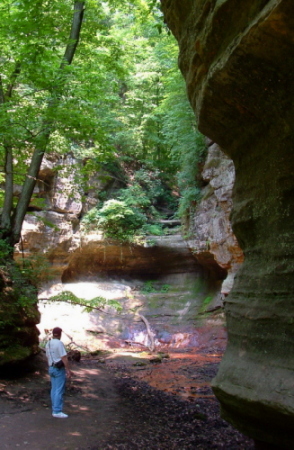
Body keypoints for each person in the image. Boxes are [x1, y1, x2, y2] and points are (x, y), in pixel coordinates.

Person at [45, 327, 72, 418]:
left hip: (51, 368)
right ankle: (57, 411)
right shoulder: (59, 343)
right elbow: (63, 357)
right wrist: (68, 370)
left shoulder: (48, 343)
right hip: (58, 369)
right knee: (59, 389)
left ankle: (54, 408)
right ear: (60, 334)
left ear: (53, 334)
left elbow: (48, 356)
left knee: (54, 389)